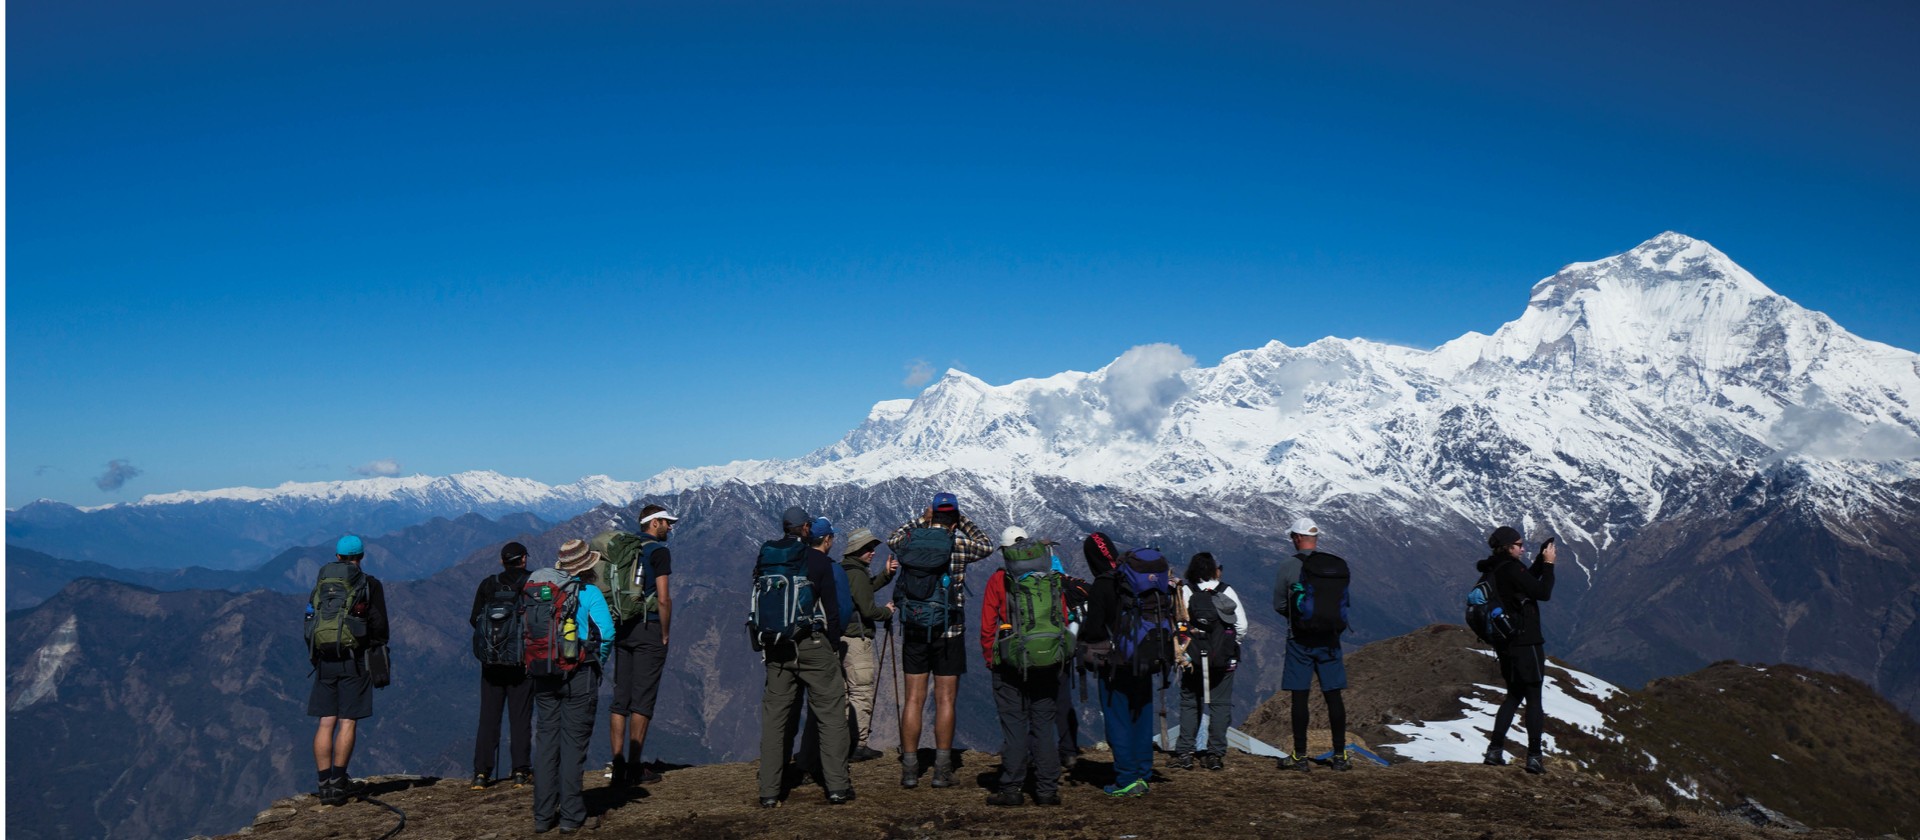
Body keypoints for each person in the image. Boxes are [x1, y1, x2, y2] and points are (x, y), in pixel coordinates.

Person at [886, 491, 996, 789]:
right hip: (949, 630)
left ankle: (910, 770)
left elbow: (892, 538)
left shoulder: (910, 541)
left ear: (932, 514)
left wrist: (923, 519)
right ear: (955, 518)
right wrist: (965, 522)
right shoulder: (958, 543)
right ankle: (941, 770)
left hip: (915, 629)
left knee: (913, 699)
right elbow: (987, 545)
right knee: (945, 699)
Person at [755, 507, 855, 807]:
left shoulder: (767, 557)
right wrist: (833, 645)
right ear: (807, 528)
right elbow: (832, 609)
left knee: (776, 719)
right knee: (832, 713)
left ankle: (769, 791)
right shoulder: (818, 560)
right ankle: (837, 786)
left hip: (776, 645)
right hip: (812, 643)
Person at [531, 539, 615, 834]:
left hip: (543, 673)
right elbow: (606, 633)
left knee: (546, 744)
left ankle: (542, 815)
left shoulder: (540, 592)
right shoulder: (590, 593)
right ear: (587, 566)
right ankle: (571, 815)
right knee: (572, 745)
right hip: (579, 674)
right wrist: (597, 663)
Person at [979, 526, 1067, 806]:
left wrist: (990, 658)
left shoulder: (998, 580)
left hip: (1009, 661)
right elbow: (1061, 616)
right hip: (1047, 660)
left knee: (1014, 725)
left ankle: (1012, 789)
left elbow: (986, 624)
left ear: (1005, 551)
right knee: (1043, 724)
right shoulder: (1049, 579)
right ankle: (1047, 790)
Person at [307, 535, 389, 806]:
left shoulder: (322, 583)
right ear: (361, 556)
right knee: (347, 721)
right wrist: (376, 649)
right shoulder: (369, 584)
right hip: (355, 659)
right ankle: (339, 782)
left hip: (324, 660)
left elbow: (310, 621)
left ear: (338, 556)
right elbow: (379, 625)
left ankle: (323, 784)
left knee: (326, 720)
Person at [1078, 531, 1159, 797]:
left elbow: (1093, 630)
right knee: (1142, 715)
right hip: (1146, 658)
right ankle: (1143, 772)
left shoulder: (1102, 584)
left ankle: (1126, 778)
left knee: (1119, 719)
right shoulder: (1137, 579)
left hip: (1116, 664)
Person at [1271, 517, 1353, 773]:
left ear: (1296, 538)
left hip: (1300, 640)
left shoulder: (1288, 565)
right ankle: (1340, 755)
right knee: (1333, 696)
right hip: (1330, 639)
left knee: (1300, 696)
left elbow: (1279, 604)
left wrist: (1298, 618)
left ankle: (1300, 755)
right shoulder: (1334, 566)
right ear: (1315, 539)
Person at [1479, 525, 1556, 775]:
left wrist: (1536, 562)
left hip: (1505, 643)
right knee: (1534, 699)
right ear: (1508, 547)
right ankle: (1534, 757)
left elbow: (1523, 583)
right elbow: (1542, 592)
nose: (1523, 548)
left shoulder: (1494, 569)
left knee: (1513, 695)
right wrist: (1549, 565)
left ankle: (1494, 750)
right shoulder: (1512, 568)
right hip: (1527, 641)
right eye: (1519, 545)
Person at [609, 505, 677, 788]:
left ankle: (617, 764)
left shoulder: (628, 549)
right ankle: (635, 768)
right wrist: (664, 632)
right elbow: (663, 598)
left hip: (622, 627)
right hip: (648, 627)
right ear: (654, 522)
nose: (670, 528)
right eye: (667, 523)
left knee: (620, 698)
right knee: (643, 699)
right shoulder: (659, 552)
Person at [1173, 552, 1247, 771]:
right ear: (1215, 569)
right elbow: (1241, 625)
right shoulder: (1226, 591)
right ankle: (1215, 754)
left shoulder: (1186, 591)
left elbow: (1179, 623)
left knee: (1190, 701)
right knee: (1220, 704)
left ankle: (1185, 752)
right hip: (1223, 658)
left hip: (1193, 657)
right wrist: (1230, 645)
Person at [469, 541, 534, 790]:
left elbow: (474, 619)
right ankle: (520, 771)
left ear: (502, 561)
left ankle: (481, 774)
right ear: (524, 559)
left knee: (488, 717)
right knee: (520, 717)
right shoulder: (532, 583)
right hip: (521, 662)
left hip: (492, 663)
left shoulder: (489, 583)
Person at [837, 526, 897, 761]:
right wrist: (888, 612)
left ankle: (841, 742)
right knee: (861, 692)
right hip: (857, 640)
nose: (872, 552)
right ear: (858, 550)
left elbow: (863, 592)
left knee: (843, 693)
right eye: (868, 548)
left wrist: (885, 575)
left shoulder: (844, 570)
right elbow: (868, 609)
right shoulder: (858, 573)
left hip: (839, 638)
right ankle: (859, 744)